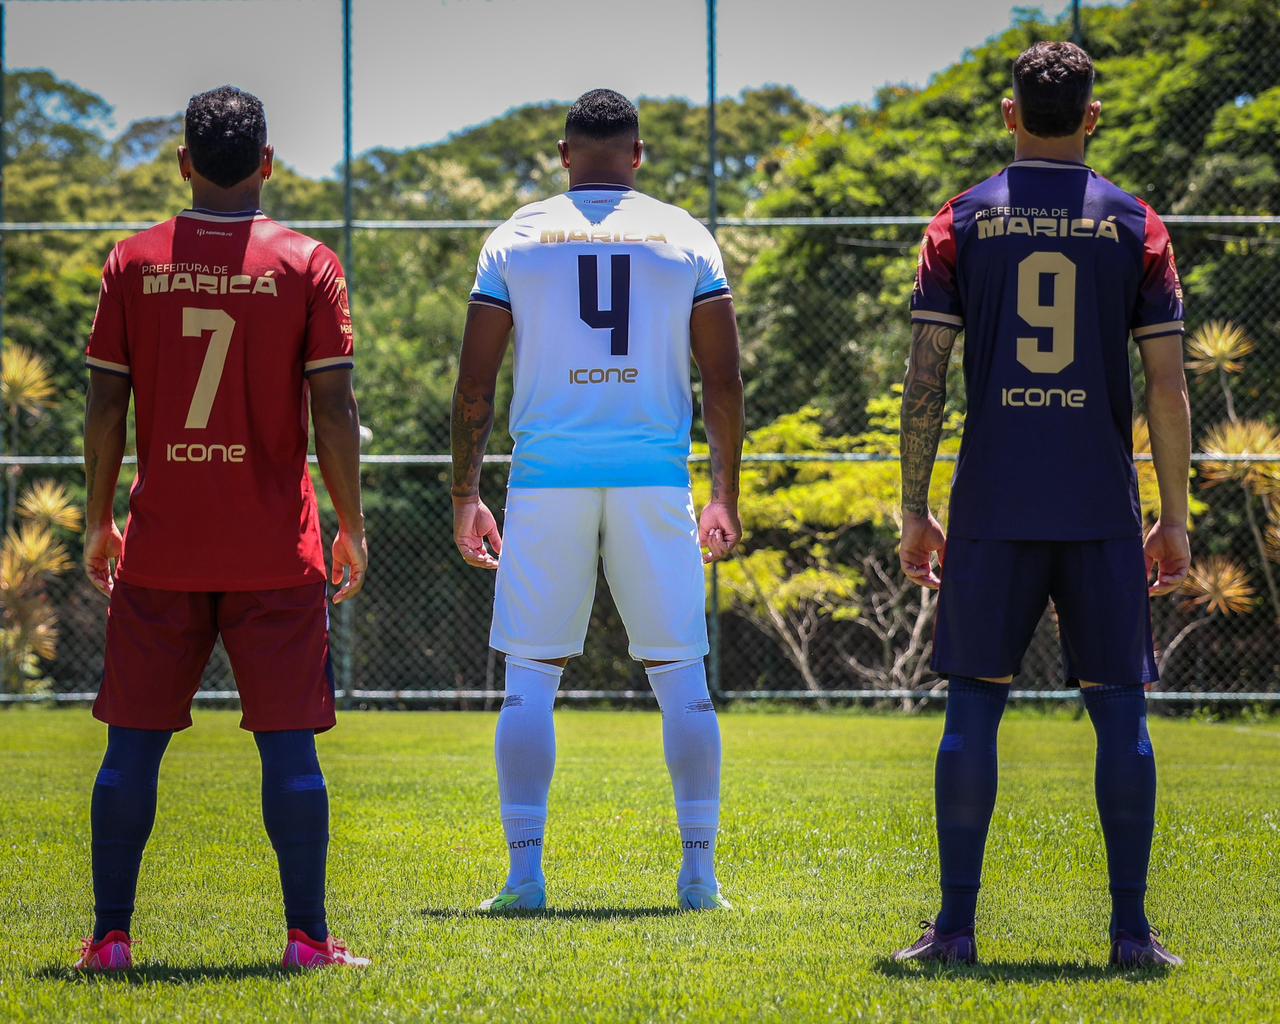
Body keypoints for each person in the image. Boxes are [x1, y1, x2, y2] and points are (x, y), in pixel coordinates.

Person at [893, 42, 1191, 968]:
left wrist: (914, 508)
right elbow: (1168, 389)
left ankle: (954, 932)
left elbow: (924, 380)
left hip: (993, 500)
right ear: (1091, 117)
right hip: (1100, 502)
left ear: (1009, 114)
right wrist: (1174, 518)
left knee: (973, 709)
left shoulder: (960, 222)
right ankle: (1132, 936)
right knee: (1121, 715)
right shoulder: (1138, 225)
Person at [77, 86, 370, 971]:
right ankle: (309, 941)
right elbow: (334, 406)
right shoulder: (308, 263)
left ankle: (110, 941)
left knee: (132, 742)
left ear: (185, 164)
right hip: (273, 550)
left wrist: (98, 518)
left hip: (163, 543)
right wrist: (349, 523)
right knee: (290, 745)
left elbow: (103, 404)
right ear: (269, 165)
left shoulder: (132, 263)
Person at [450, 88, 745, 912]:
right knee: (682, 678)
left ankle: (524, 877)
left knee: (529, 681)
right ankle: (698, 877)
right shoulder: (686, 234)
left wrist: (466, 494)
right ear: (638, 156)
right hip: (655, 475)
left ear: (563, 153)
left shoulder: (515, 236)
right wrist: (724, 493)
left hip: (548, 478)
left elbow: (475, 385)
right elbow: (721, 379)